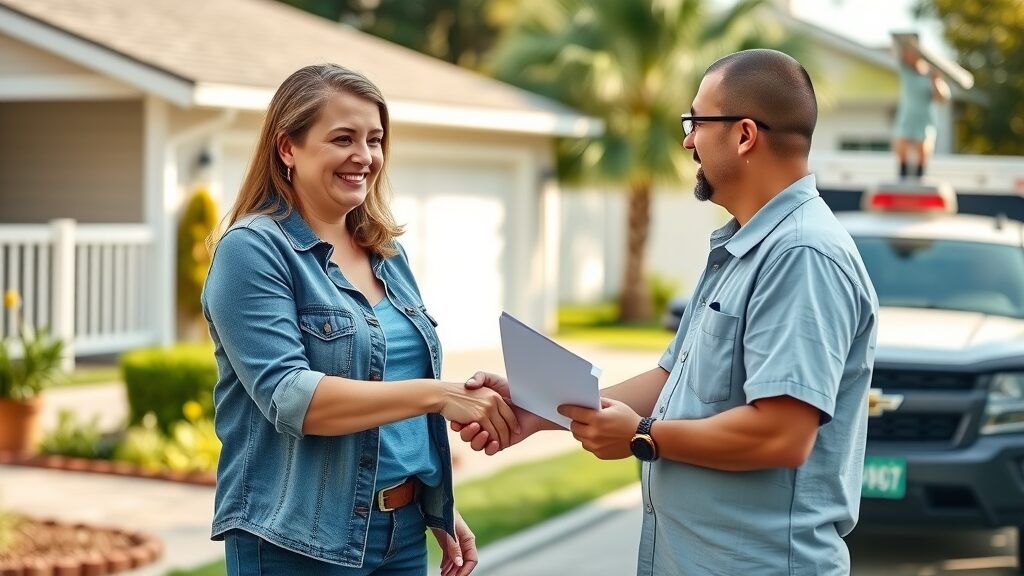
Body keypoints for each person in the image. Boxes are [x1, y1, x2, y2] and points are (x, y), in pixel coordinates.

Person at [454, 49, 879, 575]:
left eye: (696, 121)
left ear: (745, 135)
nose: (687, 140)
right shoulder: (743, 248)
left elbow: (781, 434)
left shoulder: (801, 255)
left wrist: (643, 438)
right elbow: (671, 380)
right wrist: (537, 410)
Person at [202, 63, 518, 576]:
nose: (364, 156)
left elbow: (393, 386)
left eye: (375, 139)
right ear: (288, 148)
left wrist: (434, 500)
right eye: (343, 138)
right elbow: (292, 397)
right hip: (296, 542)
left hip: (402, 534)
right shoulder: (253, 251)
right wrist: (440, 394)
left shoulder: (386, 253)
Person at [893, 34, 950, 179]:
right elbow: (901, 54)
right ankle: (903, 172)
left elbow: (942, 98)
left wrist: (936, 80)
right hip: (907, 118)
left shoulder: (931, 76)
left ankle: (920, 173)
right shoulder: (906, 71)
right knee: (901, 142)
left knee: (923, 146)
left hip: (925, 119)